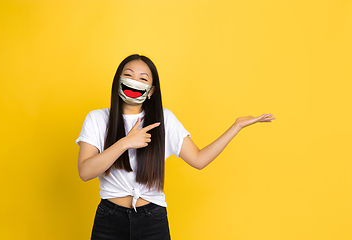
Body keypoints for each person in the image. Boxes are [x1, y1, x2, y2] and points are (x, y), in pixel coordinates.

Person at [76, 54, 275, 240]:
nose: (134, 82)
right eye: (128, 75)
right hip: (109, 218)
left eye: (143, 79)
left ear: (151, 90)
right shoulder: (97, 119)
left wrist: (236, 127)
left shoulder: (164, 120)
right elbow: (85, 172)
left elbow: (199, 160)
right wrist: (125, 142)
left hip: (152, 219)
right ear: (118, 80)